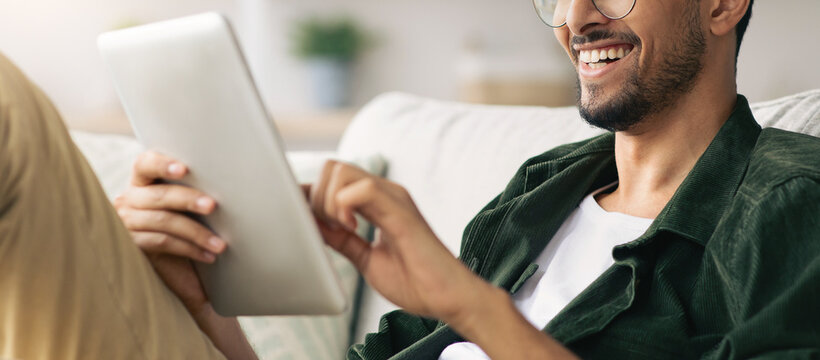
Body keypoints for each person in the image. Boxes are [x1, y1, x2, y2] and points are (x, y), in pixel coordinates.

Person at [1, 0, 817, 359]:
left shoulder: (789, 202)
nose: (573, 20)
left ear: (721, 3)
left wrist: (472, 308)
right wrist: (205, 306)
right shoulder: (543, 191)